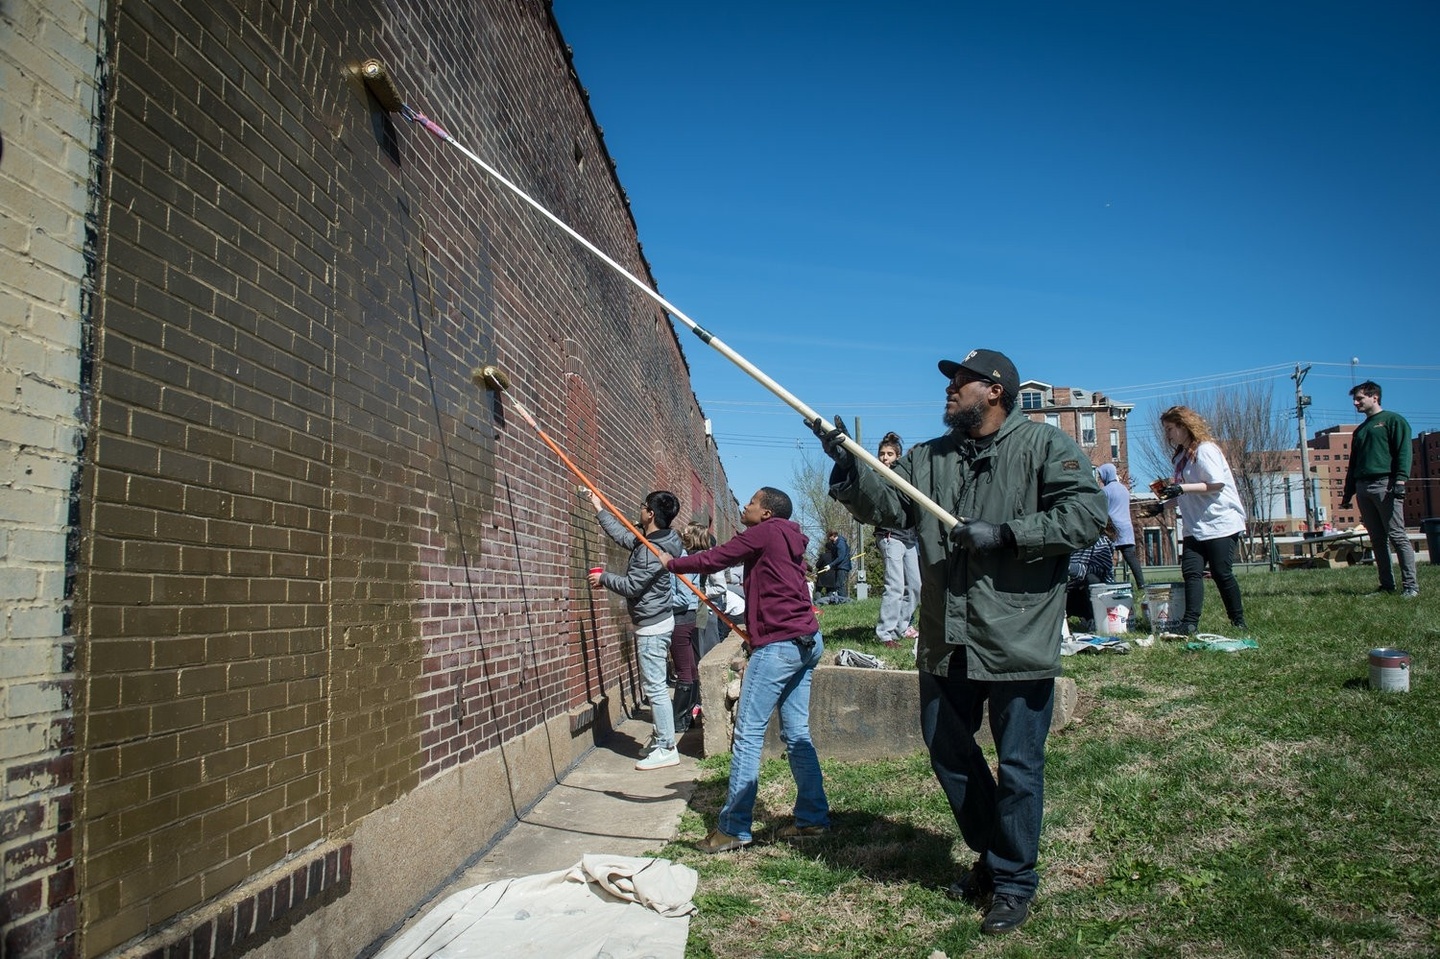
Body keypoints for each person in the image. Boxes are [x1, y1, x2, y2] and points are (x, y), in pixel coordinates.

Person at [814, 348, 1107, 936]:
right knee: (947, 748)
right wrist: (849, 469)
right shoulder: (928, 457)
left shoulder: (1046, 448)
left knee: (1020, 765)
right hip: (946, 637)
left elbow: (1085, 517)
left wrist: (1005, 534)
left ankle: (1012, 882)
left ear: (995, 391)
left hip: (1016, 635)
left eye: (962, 382)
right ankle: (996, 853)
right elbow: (892, 507)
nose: (950, 389)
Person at [660, 488, 829, 853]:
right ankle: (812, 820)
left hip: (781, 646)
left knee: (749, 735)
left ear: (767, 513)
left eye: (751, 502)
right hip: (808, 641)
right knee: (797, 733)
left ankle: (733, 828)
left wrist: (671, 563)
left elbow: (714, 559)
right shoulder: (787, 538)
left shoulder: (764, 533)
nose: (743, 506)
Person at [587, 490, 685, 770]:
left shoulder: (650, 552)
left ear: (651, 514)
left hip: (652, 626)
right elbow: (625, 537)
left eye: (643, 507)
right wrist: (599, 509)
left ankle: (667, 747)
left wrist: (602, 577)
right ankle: (661, 738)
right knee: (654, 686)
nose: (639, 510)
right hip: (656, 620)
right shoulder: (658, 539)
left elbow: (632, 586)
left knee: (655, 688)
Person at [1149, 406, 1248, 633]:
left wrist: (1181, 488)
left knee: (1221, 573)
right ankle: (1189, 623)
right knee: (1191, 573)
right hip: (1195, 527)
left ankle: (1238, 622)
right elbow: (1186, 494)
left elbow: (1215, 484)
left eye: (1171, 428)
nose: (1168, 435)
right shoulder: (1181, 458)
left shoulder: (1206, 450)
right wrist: (1162, 506)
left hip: (1220, 523)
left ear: (1184, 426)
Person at [1341, 381, 1418, 598]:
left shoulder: (1393, 421)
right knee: (1376, 538)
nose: (1356, 403)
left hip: (1386, 485)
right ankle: (1387, 586)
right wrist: (1348, 494)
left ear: (1374, 397)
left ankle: (1410, 586)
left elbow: (1404, 452)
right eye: (1354, 400)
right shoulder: (1361, 430)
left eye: (1359, 398)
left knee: (1397, 535)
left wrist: (1401, 481)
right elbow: (1353, 465)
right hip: (1363, 488)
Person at [874, 431, 921, 647]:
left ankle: (903, 625)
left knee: (915, 585)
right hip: (890, 536)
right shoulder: (878, 477)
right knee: (895, 584)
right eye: (882, 454)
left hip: (910, 537)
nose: (885, 458)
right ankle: (885, 632)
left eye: (890, 454)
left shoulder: (906, 474)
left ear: (898, 456)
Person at [1097, 464, 1144, 587]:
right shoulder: (1124, 489)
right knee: (1131, 559)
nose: (1100, 478)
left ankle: (1109, 583)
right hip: (1126, 528)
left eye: (1101, 475)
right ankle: (1141, 584)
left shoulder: (1104, 491)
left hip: (1111, 530)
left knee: (1107, 558)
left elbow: (1102, 511)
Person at [1066, 524, 1115, 627]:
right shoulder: (1071, 543)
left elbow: (1099, 570)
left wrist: (1070, 568)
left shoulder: (1101, 543)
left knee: (1091, 579)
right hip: (1076, 587)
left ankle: (1095, 618)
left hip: (1100, 592)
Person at [815, 529, 852, 602]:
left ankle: (844, 601)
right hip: (840, 566)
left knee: (840, 585)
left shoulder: (840, 543)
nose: (829, 539)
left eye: (829, 537)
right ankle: (842, 600)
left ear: (833, 536)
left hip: (843, 566)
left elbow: (841, 557)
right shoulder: (837, 543)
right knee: (839, 584)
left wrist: (830, 565)